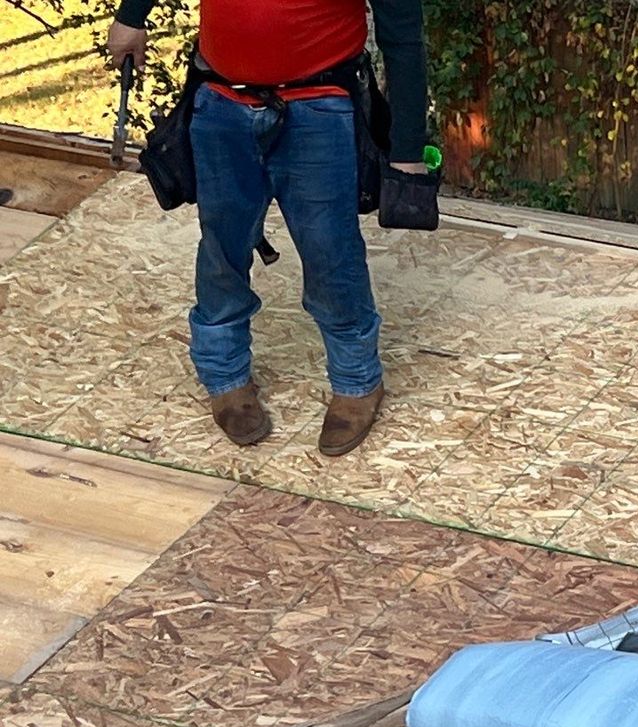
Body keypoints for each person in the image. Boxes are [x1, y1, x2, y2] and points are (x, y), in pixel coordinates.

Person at [106, 0, 431, 456]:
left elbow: (403, 35)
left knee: (330, 249)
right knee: (223, 244)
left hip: (321, 106)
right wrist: (132, 16)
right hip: (221, 102)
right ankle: (225, 376)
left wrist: (407, 149)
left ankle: (357, 382)